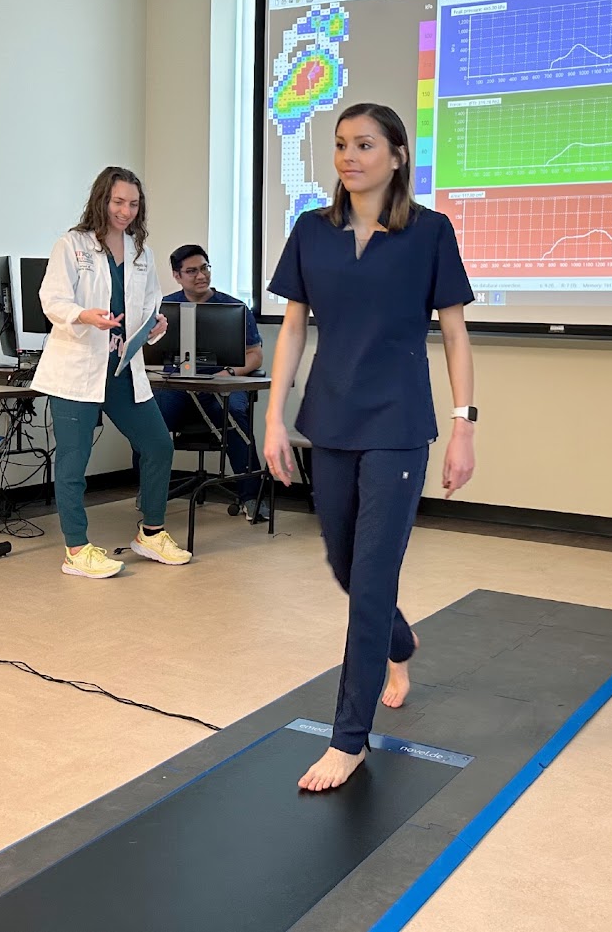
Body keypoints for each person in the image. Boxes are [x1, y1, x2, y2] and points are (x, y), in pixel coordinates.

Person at [263, 102, 477, 790]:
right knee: (345, 564)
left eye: (364, 144)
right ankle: (401, 640)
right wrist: (275, 418)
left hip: (399, 425)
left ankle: (349, 739)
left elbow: (454, 333)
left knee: (374, 577)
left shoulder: (430, 233)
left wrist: (465, 424)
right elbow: (293, 328)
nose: (349, 157)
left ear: (397, 155)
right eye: (340, 145)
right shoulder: (311, 230)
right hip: (330, 420)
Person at [32, 166, 193, 578]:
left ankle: (151, 533)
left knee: (158, 445)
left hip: (121, 368)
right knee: (74, 461)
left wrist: (156, 326)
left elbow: (150, 305)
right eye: (118, 202)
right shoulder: (72, 245)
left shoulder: (141, 251)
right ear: (102, 200)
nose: (125, 211)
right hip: (77, 369)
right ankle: (76, 550)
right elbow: (52, 300)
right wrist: (83, 315)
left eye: (133, 204)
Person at [133, 244, 269, 521]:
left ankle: (251, 496)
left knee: (236, 414)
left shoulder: (234, 307)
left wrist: (229, 373)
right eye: (192, 271)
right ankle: (148, 492)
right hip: (177, 387)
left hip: (220, 385)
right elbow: (145, 349)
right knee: (146, 421)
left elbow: (255, 355)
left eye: (204, 268)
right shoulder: (163, 308)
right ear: (177, 275)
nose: (201, 275)